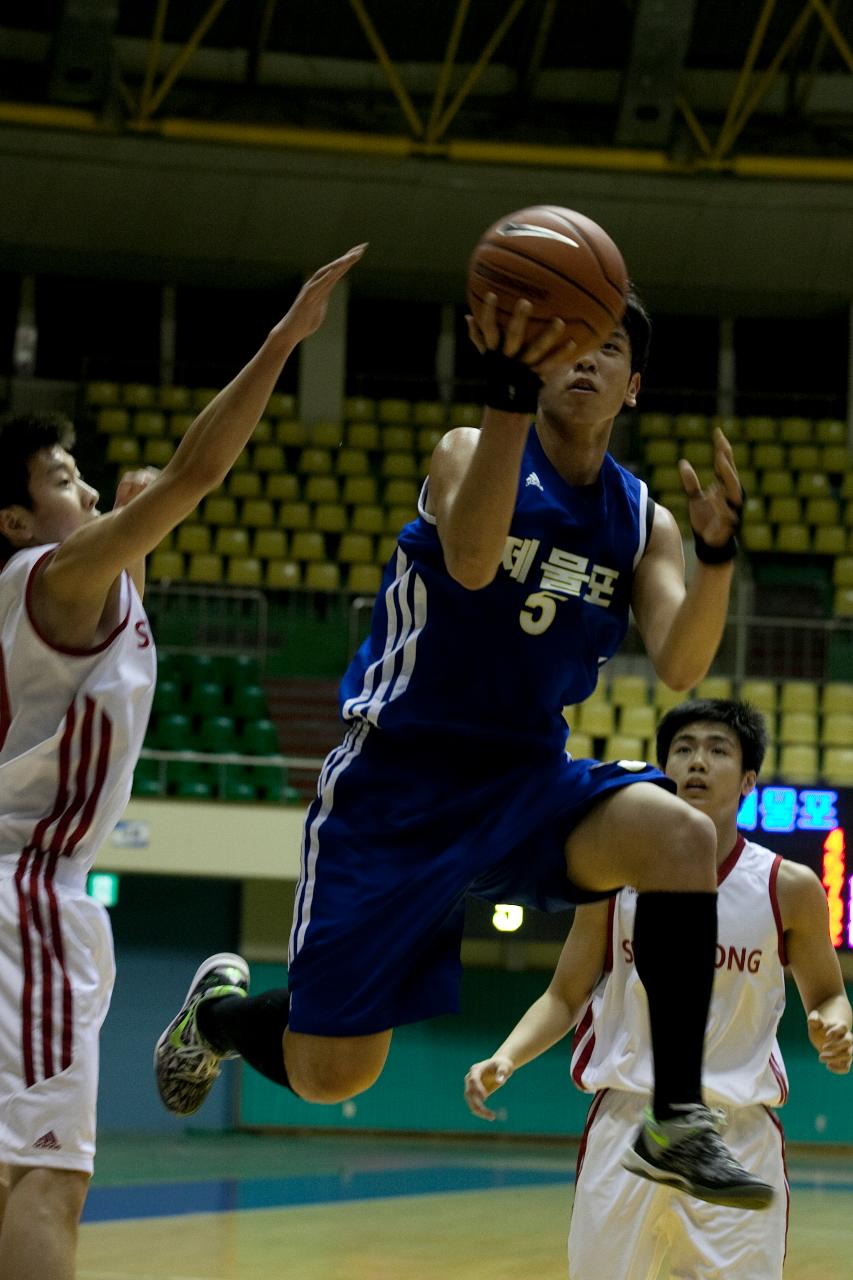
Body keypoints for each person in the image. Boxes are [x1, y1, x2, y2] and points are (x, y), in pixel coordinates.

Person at [156, 280, 774, 1207]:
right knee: (333, 1075)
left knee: (681, 839)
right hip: (395, 784)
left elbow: (682, 663)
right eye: (567, 341)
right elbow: (475, 561)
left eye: (608, 348)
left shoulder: (643, 517)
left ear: (633, 385)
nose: (587, 359)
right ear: (535, 362)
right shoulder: (468, 451)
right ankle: (218, 1015)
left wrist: (717, 557)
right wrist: (504, 401)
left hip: (525, 780)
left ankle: (674, 1119)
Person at [0, 244, 365, 1280]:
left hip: (22, 884)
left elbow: (88, 661)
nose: (85, 492)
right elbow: (203, 473)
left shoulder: (63, 591)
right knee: (44, 1176)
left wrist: (133, 538)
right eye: (63, 480)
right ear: (17, 521)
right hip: (27, 891)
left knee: (13, 1168)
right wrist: (283, 339)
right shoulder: (51, 576)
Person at [465, 698, 853, 1277]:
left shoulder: (787, 886)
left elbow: (827, 993)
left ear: (748, 779)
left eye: (718, 750)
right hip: (627, 1123)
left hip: (737, 1131)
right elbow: (565, 995)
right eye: (683, 749)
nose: (697, 761)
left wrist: (837, 1025)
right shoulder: (614, 876)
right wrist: (507, 1056)